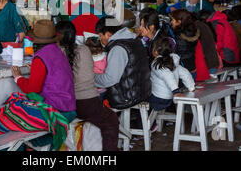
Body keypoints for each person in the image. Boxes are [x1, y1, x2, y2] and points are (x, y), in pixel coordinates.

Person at [56, 21, 119, 151]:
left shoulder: (56, 53)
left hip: (66, 105)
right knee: (112, 120)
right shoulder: (84, 49)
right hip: (88, 103)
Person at [11, 19, 76, 118]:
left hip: (55, 110)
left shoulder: (40, 57)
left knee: (12, 108)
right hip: (69, 107)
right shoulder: (58, 51)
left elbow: (33, 89)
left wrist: (18, 78)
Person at [94, 16, 151, 110]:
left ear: (108, 34)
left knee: (91, 98)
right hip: (143, 91)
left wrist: (90, 78)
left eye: (100, 36)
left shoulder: (118, 49)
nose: (100, 39)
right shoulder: (135, 40)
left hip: (127, 98)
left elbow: (110, 79)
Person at [170, 9, 222, 82]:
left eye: (172, 20)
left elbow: (180, 54)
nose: (171, 22)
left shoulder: (181, 35)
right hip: (196, 67)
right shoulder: (193, 31)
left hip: (194, 67)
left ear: (179, 21)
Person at [149, 37, 195, 112]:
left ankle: (151, 123)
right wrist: (191, 87)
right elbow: (185, 73)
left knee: (143, 100)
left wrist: (176, 91)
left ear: (156, 51)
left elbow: (168, 76)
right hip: (169, 98)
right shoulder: (173, 61)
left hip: (159, 98)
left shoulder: (157, 63)